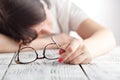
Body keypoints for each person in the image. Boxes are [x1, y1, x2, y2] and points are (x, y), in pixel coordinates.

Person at [0, 0, 116, 64]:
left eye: (45, 19)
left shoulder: (62, 7)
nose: (48, 30)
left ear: (44, 5)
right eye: (37, 34)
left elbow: (107, 35)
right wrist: (54, 41)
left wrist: (87, 48)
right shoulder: (6, 19)